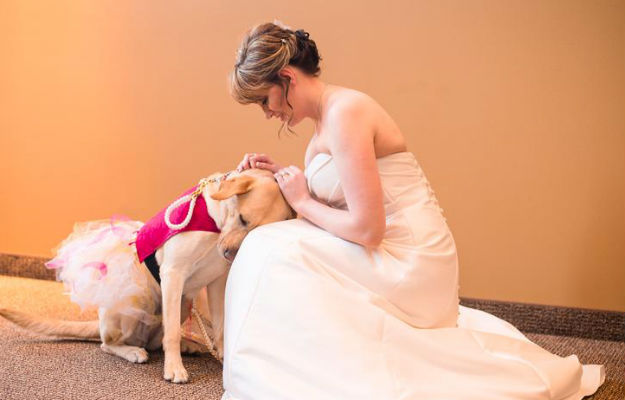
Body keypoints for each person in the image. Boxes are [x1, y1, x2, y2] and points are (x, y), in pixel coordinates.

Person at [221, 20, 605, 399]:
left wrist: (302, 201)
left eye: (263, 99)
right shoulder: (327, 121)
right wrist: (278, 181)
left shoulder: (346, 112)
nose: (267, 112)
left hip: (411, 258)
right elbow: (337, 209)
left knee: (271, 249)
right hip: (382, 247)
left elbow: (367, 229)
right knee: (271, 244)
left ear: (287, 76)